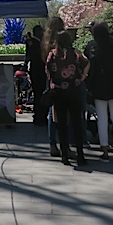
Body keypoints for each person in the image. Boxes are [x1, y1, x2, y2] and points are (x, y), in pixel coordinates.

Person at [45, 30, 89, 166]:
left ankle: (64, 155)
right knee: (76, 122)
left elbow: (47, 70)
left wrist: (53, 81)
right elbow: (87, 63)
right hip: (74, 89)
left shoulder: (52, 54)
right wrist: (81, 77)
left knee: (61, 123)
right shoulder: (75, 53)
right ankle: (80, 154)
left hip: (58, 91)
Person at [86, 22, 113, 161]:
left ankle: (105, 150)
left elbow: (90, 69)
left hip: (99, 87)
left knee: (102, 118)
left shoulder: (93, 48)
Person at [42, 16, 65, 155]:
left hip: (50, 76)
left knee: (52, 111)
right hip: (62, 77)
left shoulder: (46, 42)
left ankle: (52, 143)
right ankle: (65, 143)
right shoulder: (61, 39)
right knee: (63, 111)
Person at [26, 25, 47, 125]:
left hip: (35, 71)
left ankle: (39, 116)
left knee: (38, 94)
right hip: (39, 71)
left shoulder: (33, 42)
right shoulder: (36, 43)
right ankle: (40, 116)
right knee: (40, 94)